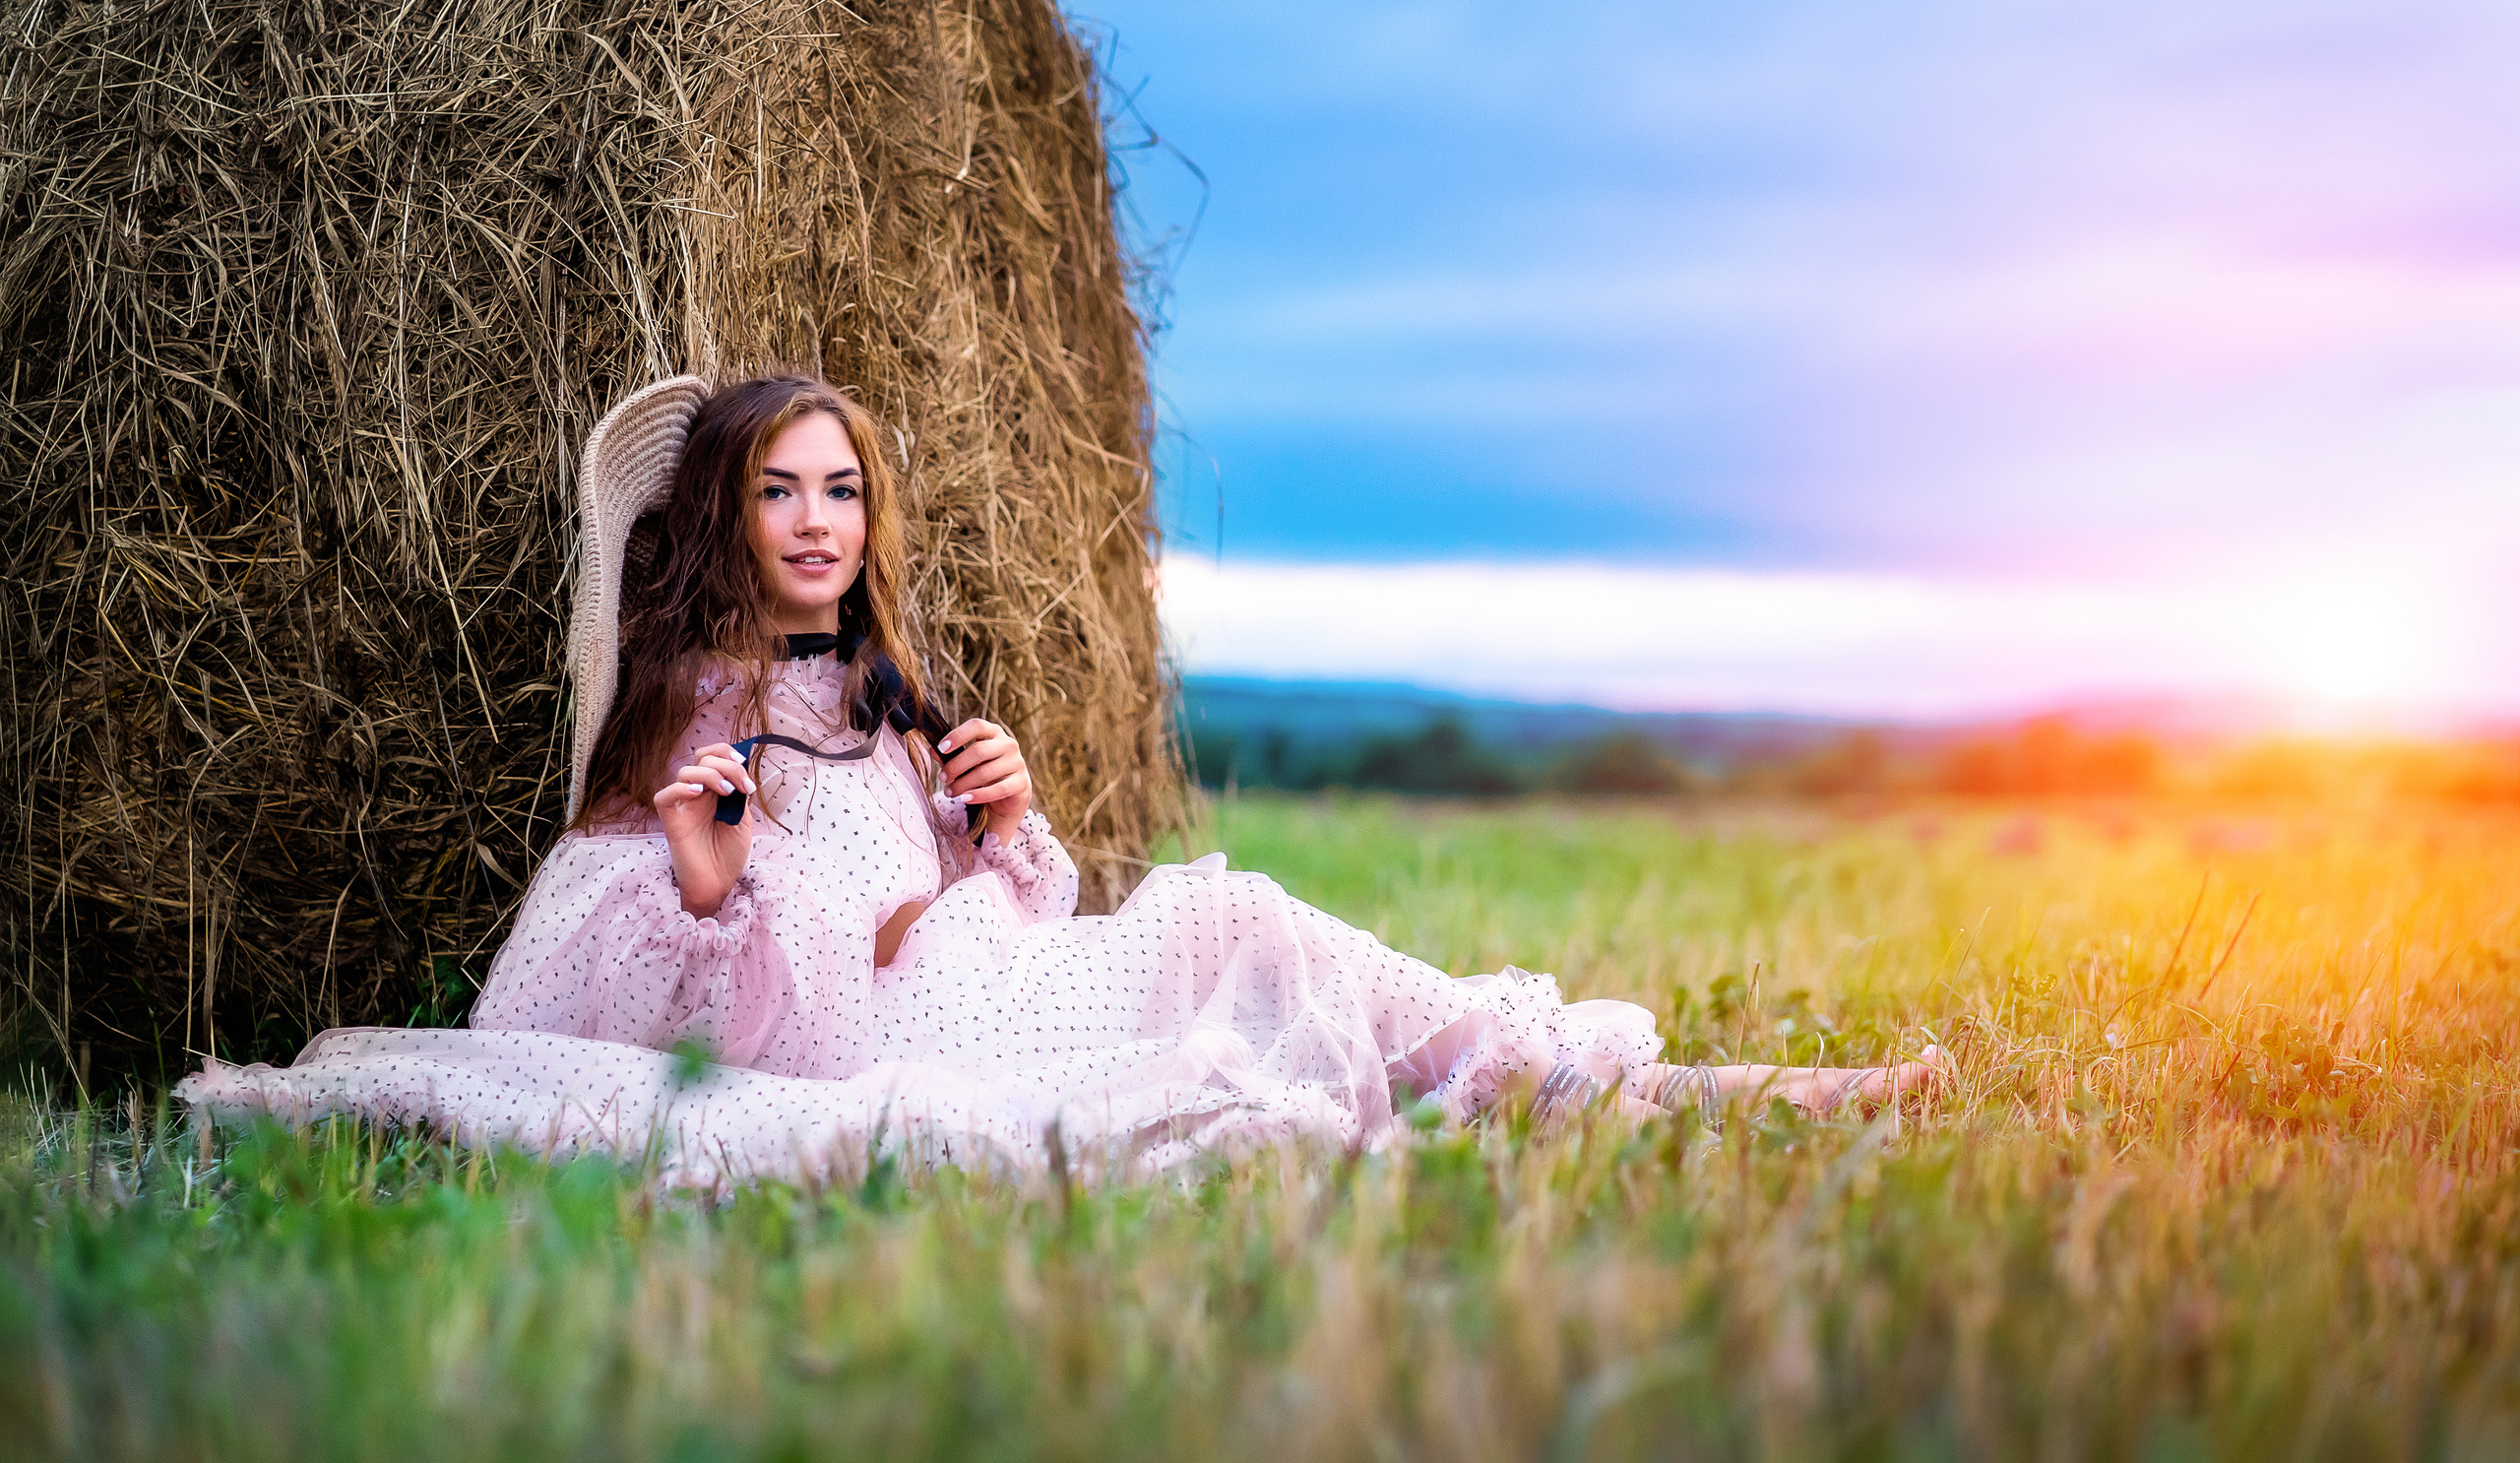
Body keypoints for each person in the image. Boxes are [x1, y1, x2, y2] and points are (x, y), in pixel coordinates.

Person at [180, 375, 1940, 1187]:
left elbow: (989, 886)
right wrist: (711, 887)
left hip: (997, 970)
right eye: (780, 490)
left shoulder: (882, 695)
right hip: (917, 1034)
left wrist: (1005, 824)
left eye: (842, 490)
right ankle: (1647, 1096)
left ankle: (1648, 1084)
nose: (817, 522)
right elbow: (637, 994)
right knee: (1239, 980)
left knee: (1249, 925)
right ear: (720, 511)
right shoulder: (683, 722)